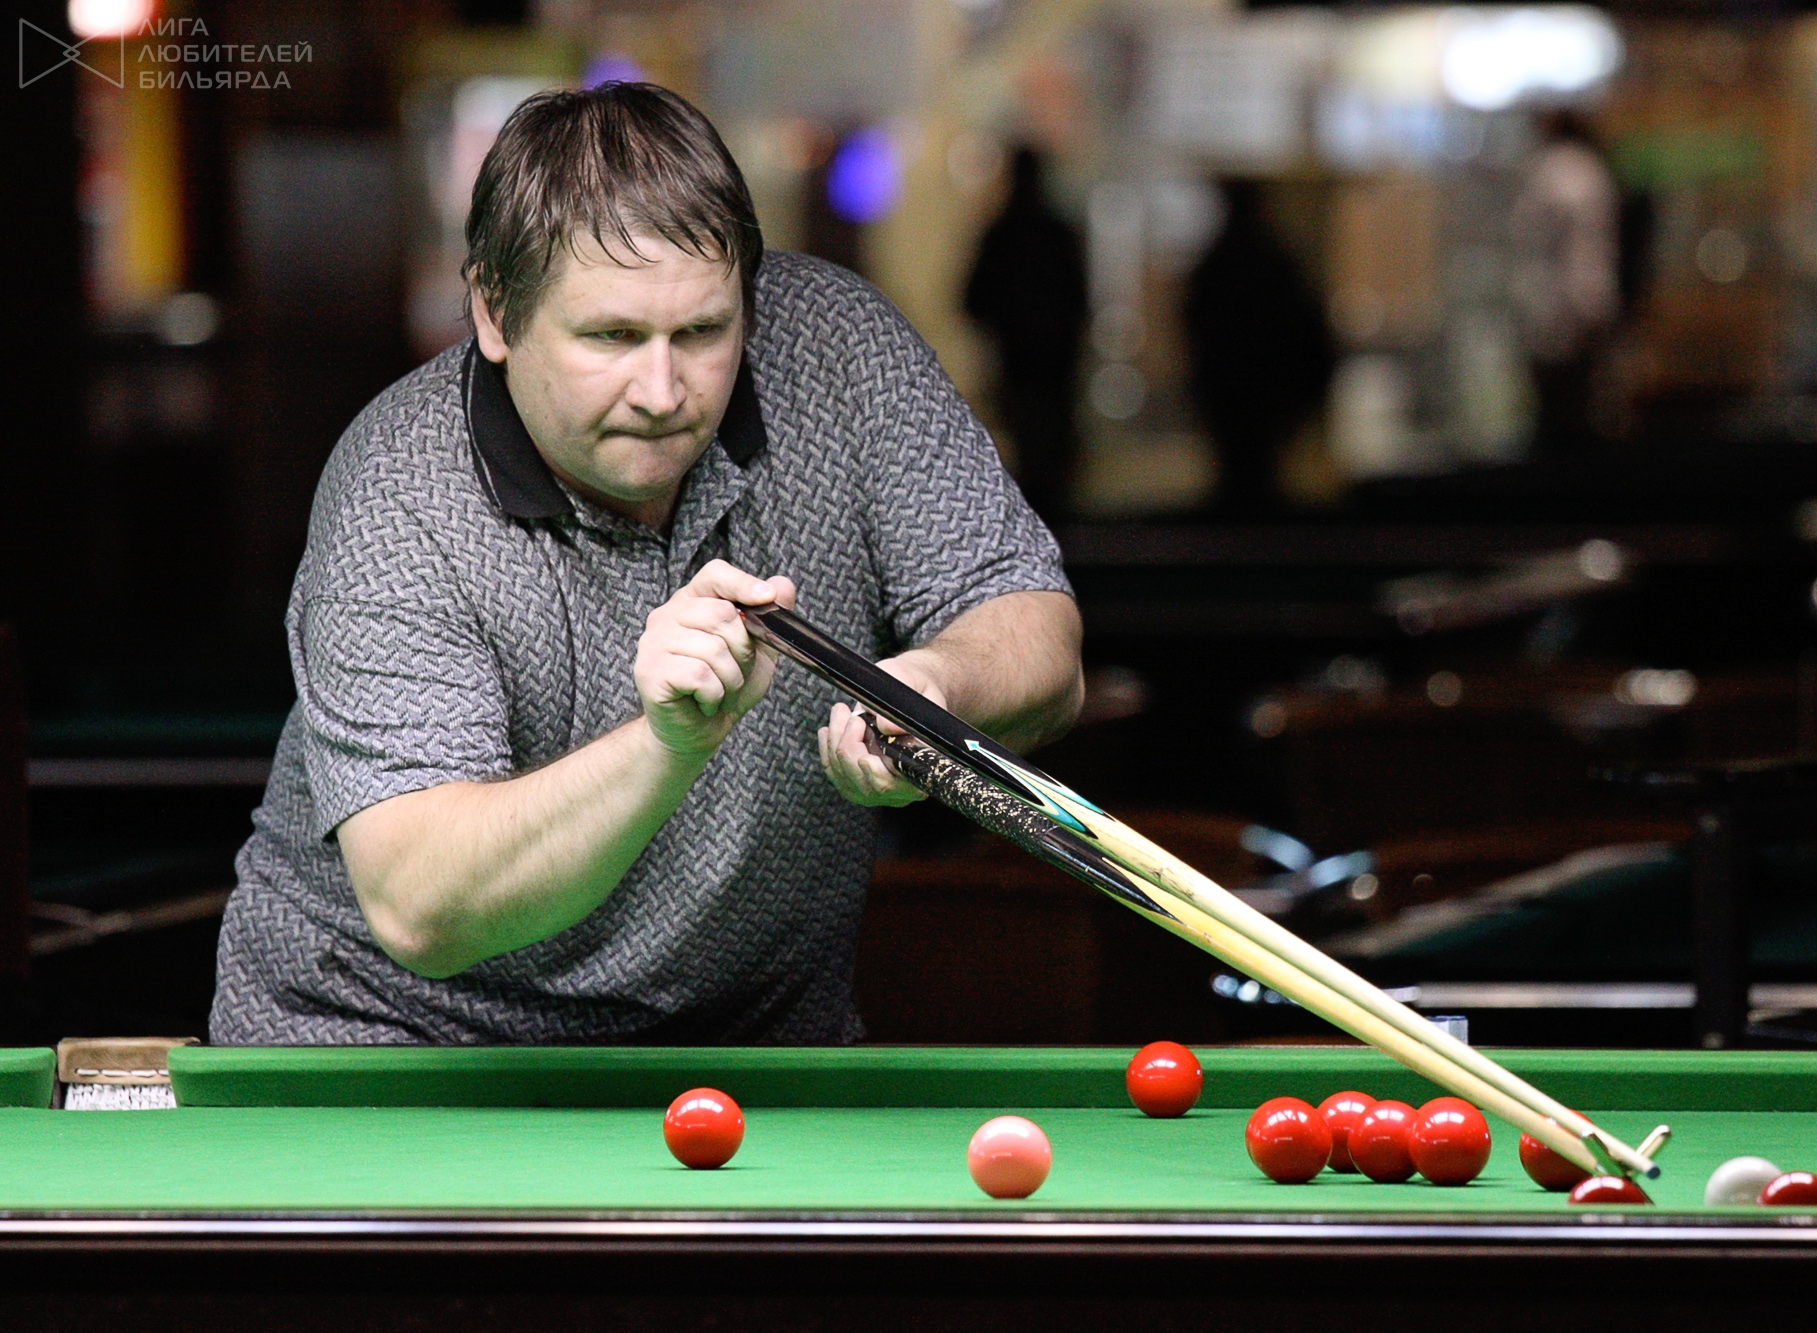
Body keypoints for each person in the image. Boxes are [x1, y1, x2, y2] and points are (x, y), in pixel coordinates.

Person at [209, 84, 1082, 1045]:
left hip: (751, 1045)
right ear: (494, 312)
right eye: (613, 337)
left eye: (702, 332)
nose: (663, 391)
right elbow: (422, 905)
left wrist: (934, 689)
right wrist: (668, 743)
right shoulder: (401, 489)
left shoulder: (841, 354)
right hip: (401, 1045)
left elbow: (1038, 636)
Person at [1182, 181, 1333, 516]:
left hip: (1238, 387)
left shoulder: (1224, 263)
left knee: (1243, 466)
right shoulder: (1269, 261)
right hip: (1259, 387)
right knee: (1254, 467)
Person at [963, 147, 1088, 521]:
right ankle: (1053, 508)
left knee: (1029, 434)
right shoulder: (1053, 234)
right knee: (1048, 435)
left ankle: (1040, 508)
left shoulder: (1003, 235)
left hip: (1021, 358)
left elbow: (973, 299)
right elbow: (1077, 298)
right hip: (1050, 358)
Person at [1511, 110, 1620, 454]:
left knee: (1562, 416)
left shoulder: (1560, 170)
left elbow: (1563, 249)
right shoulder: (1588, 168)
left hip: (1564, 310)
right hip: (1579, 303)